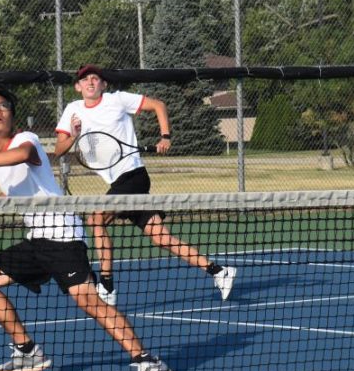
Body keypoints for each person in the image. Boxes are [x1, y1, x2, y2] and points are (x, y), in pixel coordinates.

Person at [0, 86, 173, 371]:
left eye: (3, 105)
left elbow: (21, 157)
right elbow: (12, 191)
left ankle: (148, 362)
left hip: (63, 236)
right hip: (37, 240)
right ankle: (26, 351)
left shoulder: (26, 141)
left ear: (11, 116)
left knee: (88, 302)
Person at [54, 64, 236, 306]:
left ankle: (107, 285)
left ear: (103, 84)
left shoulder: (118, 100)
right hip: (117, 181)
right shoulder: (72, 110)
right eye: (85, 79)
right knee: (160, 238)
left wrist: (165, 136)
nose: (90, 82)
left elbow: (158, 105)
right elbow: (58, 150)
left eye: (95, 79)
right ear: (77, 87)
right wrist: (74, 134)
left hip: (133, 175)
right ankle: (218, 271)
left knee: (96, 219)